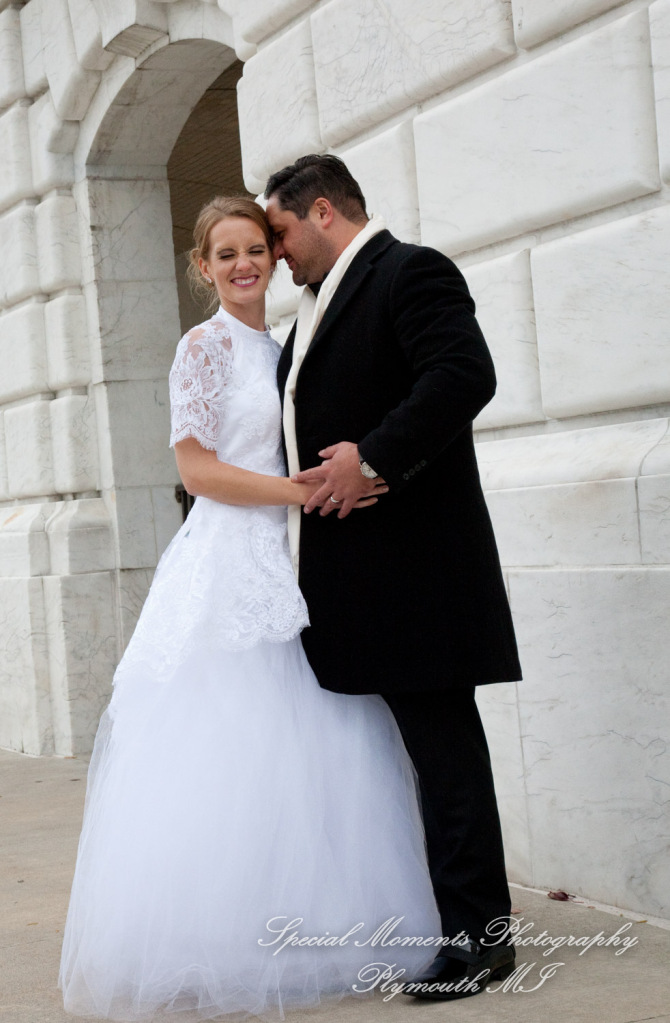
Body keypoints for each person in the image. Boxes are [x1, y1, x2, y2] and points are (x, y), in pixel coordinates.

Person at [57, 196, 441, 1021]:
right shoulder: (202, 349)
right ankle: (220, 937)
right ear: (202, 268)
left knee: (315, 742)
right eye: (224, 253)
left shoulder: (288, 348)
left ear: (274, 255)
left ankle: (321, 924)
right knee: (229, 743)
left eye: (254, 249)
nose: (243, 264)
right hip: (229, 560)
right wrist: (296, 492)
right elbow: (197, 470)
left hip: (294, 561)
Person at [264, 155, 523, 1000]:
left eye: (281, 233)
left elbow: (463, 376)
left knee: (446, 761)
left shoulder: (411, 270)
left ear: (325, 211)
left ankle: (482, 943)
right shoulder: (310, 312)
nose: (276, 255)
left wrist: (373, 459)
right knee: (408, 764)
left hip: (421, 578)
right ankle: (440, 921)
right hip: (358, 589)